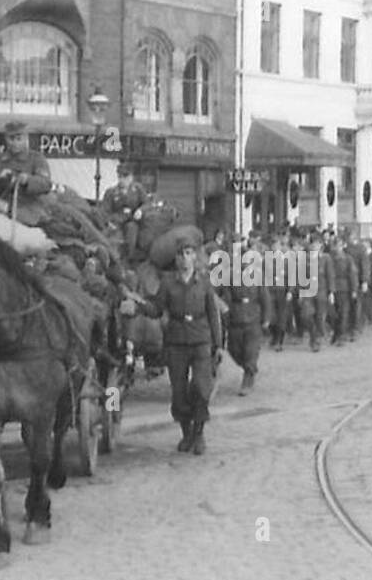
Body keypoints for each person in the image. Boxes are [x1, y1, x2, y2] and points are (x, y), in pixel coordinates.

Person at [123, 241, 222, 455]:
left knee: (200, 388)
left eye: (188, 253)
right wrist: (138, 303)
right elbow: (157, 309)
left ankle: (199, 433)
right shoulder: (168, 283)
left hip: (201, 339)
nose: (185, 258)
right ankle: (186, 433)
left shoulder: (204, 282)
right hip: (176, 341)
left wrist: (218, 344)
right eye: (181, 254)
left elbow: (213, 314)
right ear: (176, 259)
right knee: (179, 392)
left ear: (195, 257)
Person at [0, 121, 55, 240]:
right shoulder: (0, 160)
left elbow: (46, 184)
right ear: (6, 139)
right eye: (11, 139)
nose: (15, 143)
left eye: (19, 138)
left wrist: (27, 180)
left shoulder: (36, 159)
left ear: (26, 138)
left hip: (29, 209)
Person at [220, 245, 272, 396]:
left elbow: (265, 299)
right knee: (234, 350)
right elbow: (226, 298)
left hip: (253, 318)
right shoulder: (230, 277)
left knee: (250, 350)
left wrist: (266, 318)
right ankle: (249, 367)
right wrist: (226, 317)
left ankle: (248, 377)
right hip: (236, 318)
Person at [100, 163, 149, 258]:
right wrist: (109, 221)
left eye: (125, 176)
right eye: (120, 177)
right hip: (116, 221)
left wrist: (140, 210)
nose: (122, 180)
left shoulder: (138, 189)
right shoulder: (111, 192)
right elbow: (105, 211)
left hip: (132, 220)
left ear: (131, 177)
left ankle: (129, 258)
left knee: (132, 230)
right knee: (114, 238)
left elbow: (147, 203)